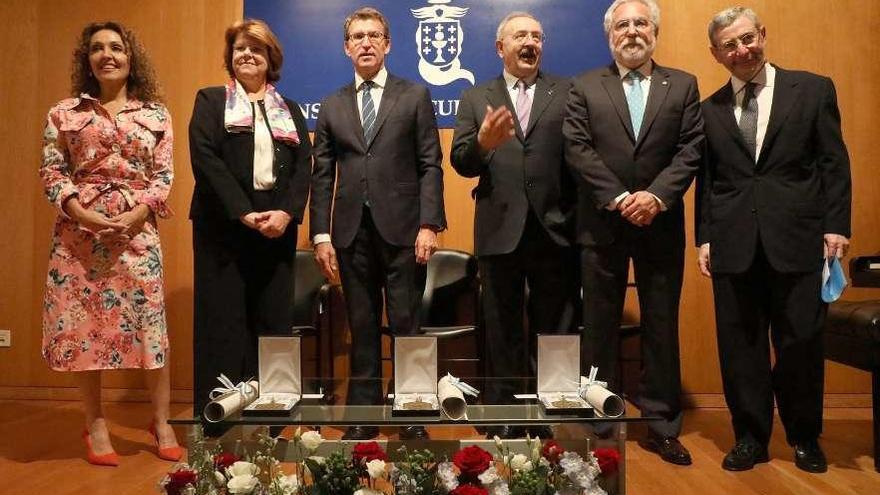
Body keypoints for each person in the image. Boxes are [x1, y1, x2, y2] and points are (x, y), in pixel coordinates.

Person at [697, 6, 851, 473]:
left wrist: (836, 225)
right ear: (716, 54)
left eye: (748, 39)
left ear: (762, 35)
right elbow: (708, 181)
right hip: (732, 243)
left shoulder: (814, 89)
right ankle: (750, 437)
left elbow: (833, 164)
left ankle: (805, 436)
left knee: (801, 342)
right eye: (730, 45)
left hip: (799, 239)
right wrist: (704, 237)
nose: (742, 50)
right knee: (740, 346)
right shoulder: (709, 109)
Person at [564, 0, 703, 465]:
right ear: (610, 36)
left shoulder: (682, 85)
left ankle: (662, 422)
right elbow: (577, 149)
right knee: (599, 326)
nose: (632, 32)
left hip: (660, 224)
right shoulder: (584, 86)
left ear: (654, 33)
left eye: (640, 23)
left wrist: (656, 197)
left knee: (661, 325)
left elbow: (690, 149)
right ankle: (601, 420)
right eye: (622, 25)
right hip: (602, 223)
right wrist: (622, 198)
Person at [40, 21, 181, 466]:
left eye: (116, 47)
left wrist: (137, 214)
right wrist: (82, 213)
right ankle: (95, 423)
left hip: (137, 235)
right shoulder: (63, 112)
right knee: (84, 329)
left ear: (130, 57)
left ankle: (160, 423)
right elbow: (51, 172)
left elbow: (163, 176)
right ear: (87, 60)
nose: (107, 55)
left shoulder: (156, 115)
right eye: (97, 48)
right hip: (79, 237)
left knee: (151, 330)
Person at [310, 7, 446, 440]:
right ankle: (362, 418)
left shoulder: (414, 96)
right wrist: (321, 234)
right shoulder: (332, 104)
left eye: (374, 36)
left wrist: (430, 224)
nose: (365, 43)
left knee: (407, 325)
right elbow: (322, 173)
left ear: (387, 44)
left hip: (405, 231)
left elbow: (431, 165)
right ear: (346, 47)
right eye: (357, 36)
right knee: (362, 327)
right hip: (350, 234)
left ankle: (413, 413)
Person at [451, 11, 578, 440]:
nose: (530, 42)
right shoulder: (474, 97)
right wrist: (483, 145)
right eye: (520, 35)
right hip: (499, 229)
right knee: (501, 329)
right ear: (500, 47)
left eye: (537, 36)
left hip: (554, 229)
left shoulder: (566, 91)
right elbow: (460, 161)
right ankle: (504, 415)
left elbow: (578, 159)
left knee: (555, 328)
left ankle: (555, 413)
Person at [189, 19, 312, 437]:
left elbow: (303, 168)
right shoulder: (210, 101)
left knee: (273, 321)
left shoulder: (290, 110)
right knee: (222, 322)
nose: (247, 55)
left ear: (270, 59)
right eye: (240, 48)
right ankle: (219, 420)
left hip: (276, 229)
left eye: (256, 50)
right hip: (223, 228)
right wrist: (243, 211)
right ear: (230, 56)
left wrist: (287, 213)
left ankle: (272, 420)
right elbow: (206, 159)